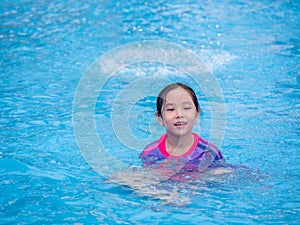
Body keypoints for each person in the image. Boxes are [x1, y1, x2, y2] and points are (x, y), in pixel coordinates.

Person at [140, 82, 224, 173]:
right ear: (159, 118)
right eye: (171, 109)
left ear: (197, 114)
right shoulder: (151, 153)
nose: (179, 114)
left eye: (186, 108)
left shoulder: (209, 153)